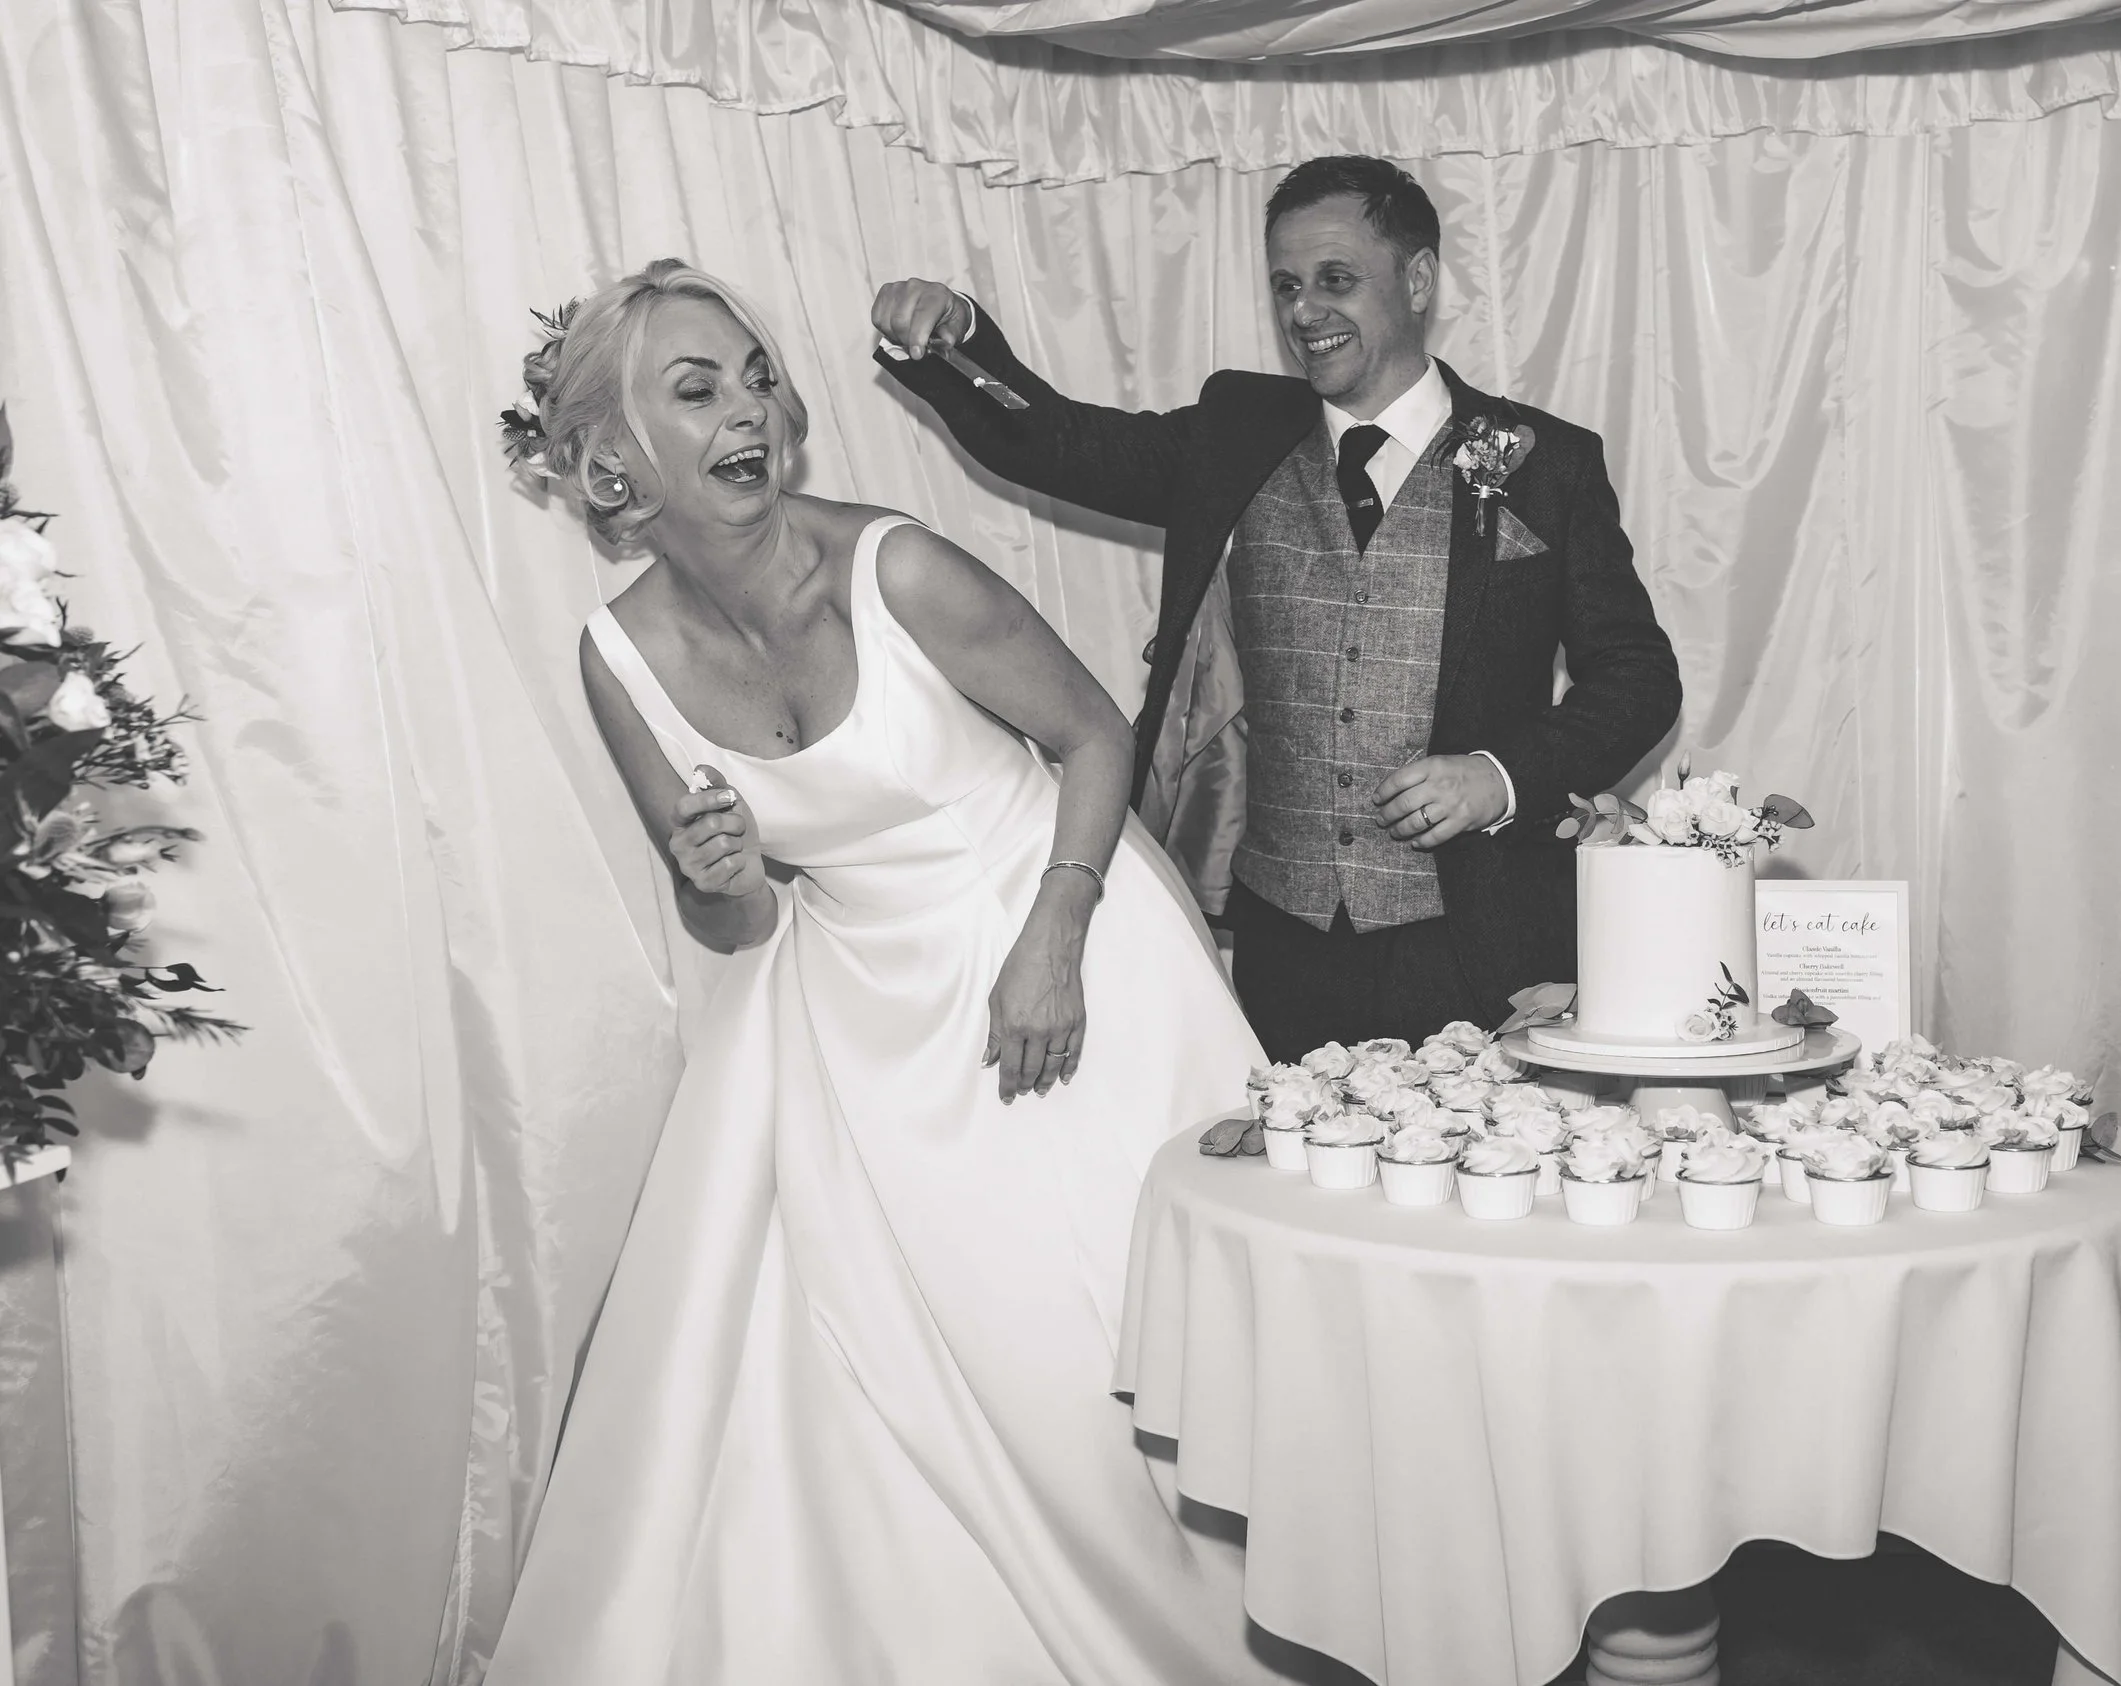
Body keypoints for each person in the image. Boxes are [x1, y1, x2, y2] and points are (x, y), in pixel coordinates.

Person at [485, 259, 1290, 1685]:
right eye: (700, 388)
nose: (755, 408)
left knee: (1113, 1357)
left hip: (1070, 946)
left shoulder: (896, 565)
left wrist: (1055, 938)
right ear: (612, 463)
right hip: (856, 1017)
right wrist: (719, 874)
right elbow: (728, 908)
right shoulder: (619, 658)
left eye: (757, 374)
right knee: (859, 1386)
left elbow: (1098, 737)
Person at [874, 155, 1680, 1062]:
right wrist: (957, 339)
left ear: (1417, 281)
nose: (1304, 311)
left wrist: (1500, 776)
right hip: (1283, 946)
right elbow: (1059, 443)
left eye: (1336, 280)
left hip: (1481, 939)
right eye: (1286, 285)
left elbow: (1639, 677)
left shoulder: (1546, 462)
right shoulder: (1236, 432)